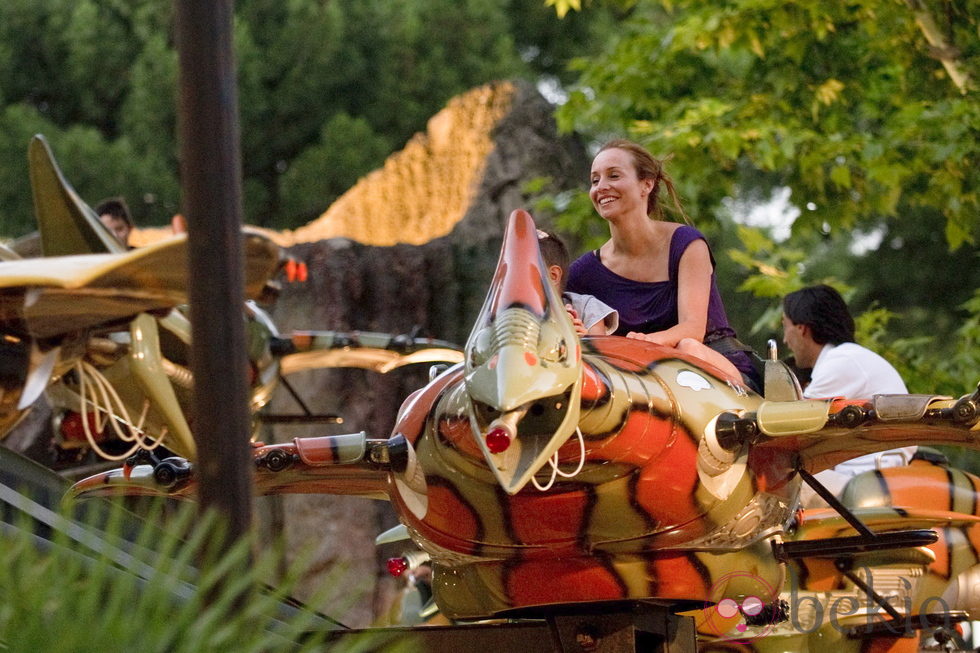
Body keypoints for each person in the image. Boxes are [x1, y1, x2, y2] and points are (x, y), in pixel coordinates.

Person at [565, 139, 760, 391]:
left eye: (613, 175)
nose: (601, 187)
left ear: (647, 184)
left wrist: (644, 343)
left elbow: (693, 329)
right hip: (644, 389)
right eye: (594, 180)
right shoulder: (584, 272)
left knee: (686, 347)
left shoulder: (686, 243)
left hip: (716, 373)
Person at [782, 284, 914, 503]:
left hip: (865, 481)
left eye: (784, 326)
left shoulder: (841, 362)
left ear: (801, 329)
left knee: (769, 482)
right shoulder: (849, 358)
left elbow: (792, 433)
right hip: (866, 476)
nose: (785, 340)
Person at [537, 229, 619, 336]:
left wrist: (584, 338)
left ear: (553, 276)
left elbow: (600, 349)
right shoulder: (513, 312)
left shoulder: (585, 308)